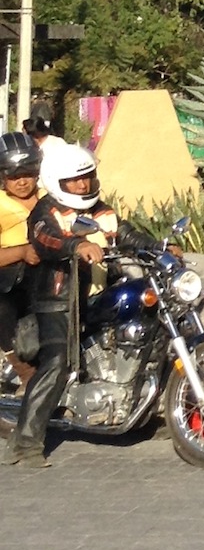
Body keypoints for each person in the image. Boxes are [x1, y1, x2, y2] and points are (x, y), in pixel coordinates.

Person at [7, 145, 117, 468]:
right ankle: (24, 443)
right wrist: (77, 244)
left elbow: (123, 233)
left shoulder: (100, 210)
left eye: (86, 178)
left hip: (95, 297)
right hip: (55, 300)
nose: (82, 186)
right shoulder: (45, 212)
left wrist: (160, 246)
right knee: (57, 361)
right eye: (74, 181)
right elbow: (47, 240)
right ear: (57, 182)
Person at [0, 132, 41, 393]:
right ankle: (24, 372)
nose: (23, 181)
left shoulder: (53, 196)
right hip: (12, 282)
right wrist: (22, 252)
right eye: (15, 175)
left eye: (28, 172)